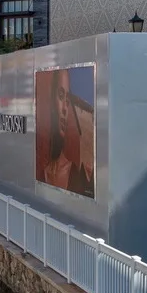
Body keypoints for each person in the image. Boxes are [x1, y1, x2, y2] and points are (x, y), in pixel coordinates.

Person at [42, 69, 94, 197]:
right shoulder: (43, 172)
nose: (65, 109)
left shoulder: (77, 175)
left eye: (67, 100)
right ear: (50, 103)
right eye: (60, 96)